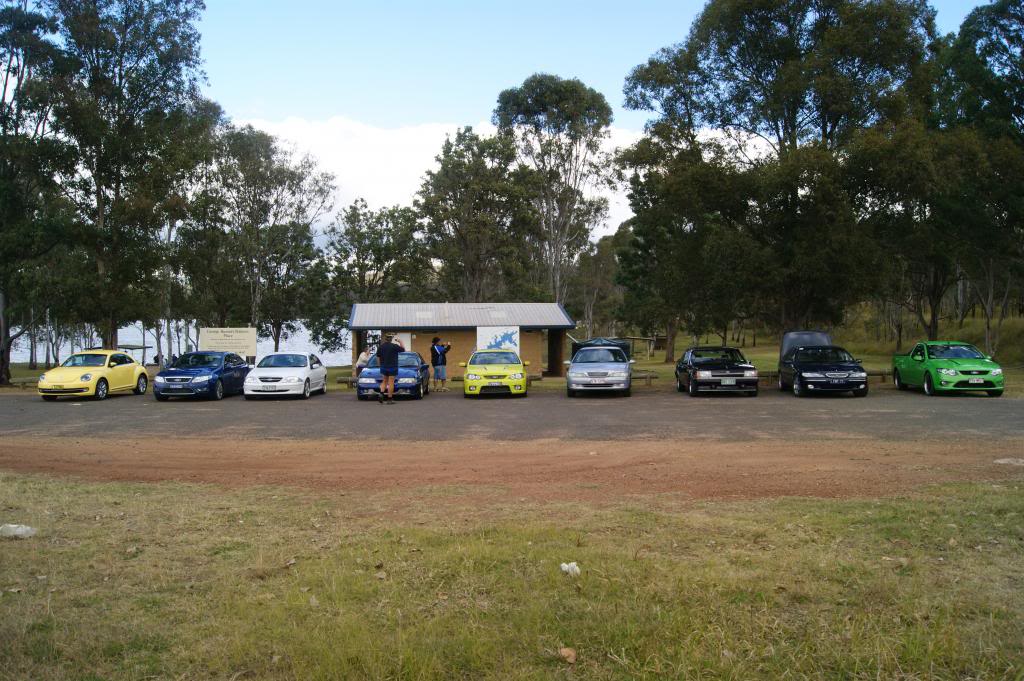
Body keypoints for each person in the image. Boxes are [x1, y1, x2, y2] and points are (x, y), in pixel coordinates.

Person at [376, 334, 403, 404]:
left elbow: (378, 357)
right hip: (393, 367)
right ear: (391, 339)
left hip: (383, 366)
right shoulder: (394, 346)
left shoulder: (381, 347)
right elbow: (403, 349)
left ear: (385, 339)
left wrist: (379, 366)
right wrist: (400, 341)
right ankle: (389, 399)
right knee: (391, 382)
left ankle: (381, 394)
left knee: (384, 381)